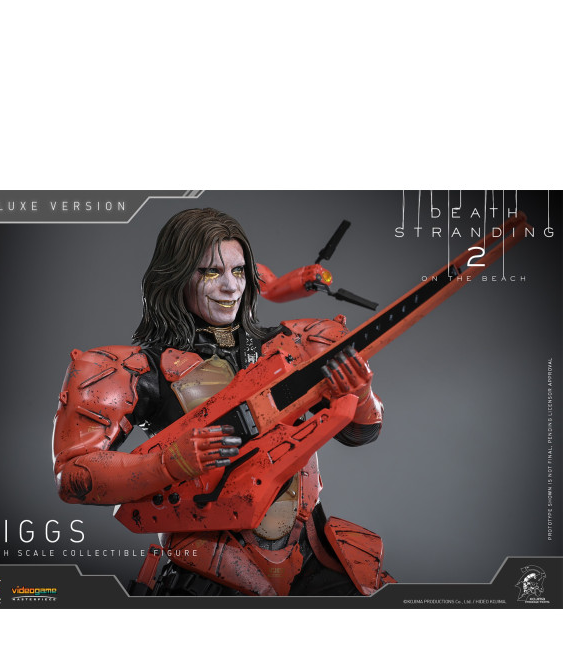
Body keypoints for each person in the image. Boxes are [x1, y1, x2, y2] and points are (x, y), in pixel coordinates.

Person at [53, 208, 394, 596]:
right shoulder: (136, 369)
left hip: (309, 556)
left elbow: (361, 432)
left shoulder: (289, 349)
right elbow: (74, 476)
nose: (231, 287)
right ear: (177, 275)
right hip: (212, 566)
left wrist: (359, 393)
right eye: (211, 272)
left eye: (239, 271)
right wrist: (167, 464)